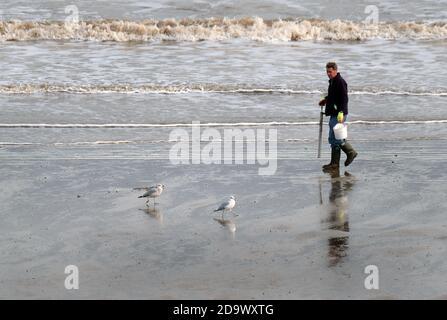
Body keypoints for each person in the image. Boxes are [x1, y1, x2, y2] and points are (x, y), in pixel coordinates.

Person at [319, 62, 358, 171]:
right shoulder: (332, 81)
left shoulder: (340, 82)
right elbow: (333, 96)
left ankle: (351, 152)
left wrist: (341, 112)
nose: (328, 74)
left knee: (336, 137)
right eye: (327, 72)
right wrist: (325, 100)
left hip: (339, 114)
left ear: (335, 70)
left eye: (330, 71)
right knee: (333, 137)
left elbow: (344, 98)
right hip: (334, 113)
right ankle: (334, 164)